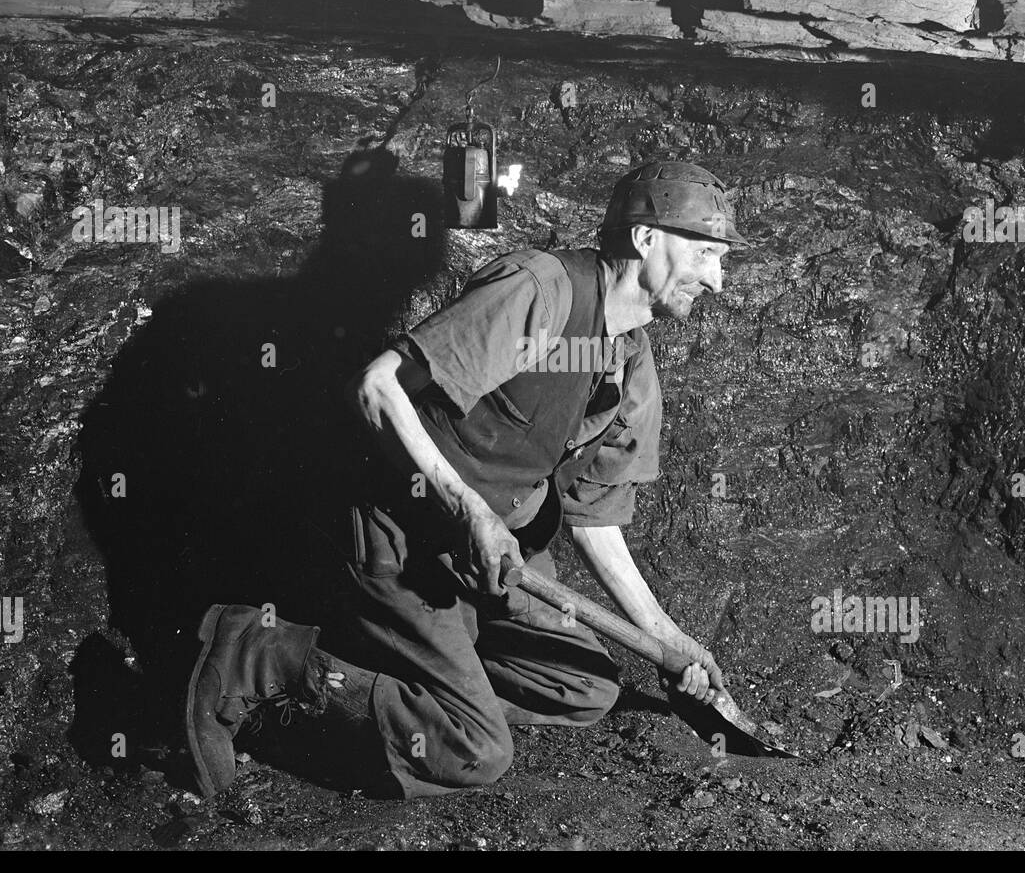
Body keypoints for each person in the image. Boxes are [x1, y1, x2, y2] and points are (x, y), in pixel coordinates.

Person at [185, 160, 750, 799]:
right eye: (704, 254)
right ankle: (259, 654)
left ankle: (426, 681)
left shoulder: (629, 358)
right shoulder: (540, 291)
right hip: (401, 532)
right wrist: (470, 511)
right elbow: (377, 386)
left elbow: (593, 510)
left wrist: (665, 637)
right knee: (475, 751)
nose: (718, 281)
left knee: (585, 690)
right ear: (645, 238)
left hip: (488, 559)